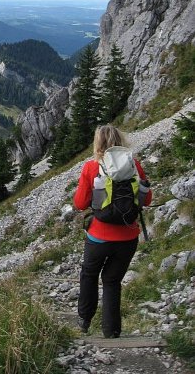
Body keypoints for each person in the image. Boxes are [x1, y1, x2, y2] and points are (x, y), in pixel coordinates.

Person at [73, 124, 152, 338]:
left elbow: (80, 203)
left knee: (89, 274)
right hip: (128, 237)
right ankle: (112, 331)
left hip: (99, 237)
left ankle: (84, 322)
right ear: (121, 141)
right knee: (112, 281)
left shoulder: (91, 167)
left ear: (98, 143)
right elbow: (147, 198)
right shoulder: (134, 165)